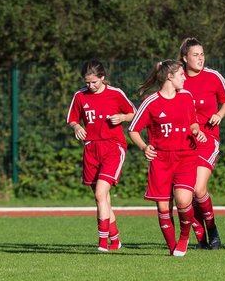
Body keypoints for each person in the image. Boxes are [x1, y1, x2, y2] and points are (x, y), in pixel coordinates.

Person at [129, 60, 209, 257]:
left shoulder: (186, 97)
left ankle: (183, 239)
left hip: (186, 156)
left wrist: (197, 131)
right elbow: (133, 130)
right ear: (170, 77)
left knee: (183, 201)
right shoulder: (151, 102)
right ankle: (172, 247)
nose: (185, 78)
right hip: (161, 160)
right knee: (164, 207)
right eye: (181, 74)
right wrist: (144, 147)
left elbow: (193, 123)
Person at [66, 60, 136, 252]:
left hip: (113, 147)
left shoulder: (115, 93)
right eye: (87, 82)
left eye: (94, 82)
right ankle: (115, 241)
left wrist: (122, 117)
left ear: (103, 77)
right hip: (91, 149)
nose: (91, 86)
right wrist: (77, 126)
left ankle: (102, 242)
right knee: (102, 198)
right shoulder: (80, 96)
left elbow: (133, 113)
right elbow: (72, 119)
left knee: (100, 194)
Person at [180, 38, 225, 249]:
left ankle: (212, 230)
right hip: (183, 142)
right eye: (195, 55)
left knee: (198, 187)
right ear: (185, 58)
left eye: (202, 54)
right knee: (184, 194)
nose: (200, 58)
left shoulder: (213, 77)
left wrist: (219, 114)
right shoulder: (177, 78)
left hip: (207, 139)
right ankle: (202, 237)